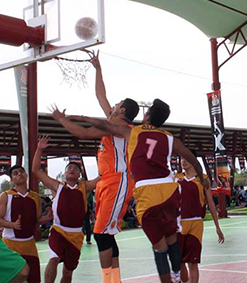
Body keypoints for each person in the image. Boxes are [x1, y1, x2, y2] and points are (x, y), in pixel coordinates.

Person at [75, 98, 207, 283]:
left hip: (146, 191)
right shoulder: (170, 138)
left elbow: (101, 124)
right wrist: (203, 179)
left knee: (158, 247)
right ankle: (177, 275)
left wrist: (79, 117)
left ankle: (166, 278)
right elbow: (192, 159)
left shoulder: (133, 131)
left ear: (146, 116)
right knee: (171, 238)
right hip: (168, 188)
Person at [50, 54, 140, 283]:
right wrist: (98, 68)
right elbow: (101, 96)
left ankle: (108, 279)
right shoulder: (114, 121)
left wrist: (62, 119)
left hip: (117, 180)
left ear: (122, 111)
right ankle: (114, 280)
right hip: (108, 181)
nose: (114, 104)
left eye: (118, 104)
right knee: (107, 233)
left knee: (100, 233)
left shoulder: (118, 125)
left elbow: (83, 132)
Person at [32, 136, 101, 283]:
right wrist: (39, 149)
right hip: (58, 230)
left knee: (68, 273)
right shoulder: (57, 186)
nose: (71, 169)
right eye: (69, 168)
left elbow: (102, 177)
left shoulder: (85, 187)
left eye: (75, 168)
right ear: (65, 173)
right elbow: (36, 170)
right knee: (54, 258)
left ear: (79, 175)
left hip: (76, 235)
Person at [0, 165, 53, 283]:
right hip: (10, 243)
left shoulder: (35, 196)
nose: (19, 174)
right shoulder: (6, 196)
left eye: (21, 172)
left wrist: (48, 218)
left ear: (26, 175)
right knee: (13, 278)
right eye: (15, 173)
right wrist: (12, 225)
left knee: (34, 278)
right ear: (12, 180)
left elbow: (36, 220)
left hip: (29, 244)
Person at [177, 150, 225, 283]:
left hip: (195, 224)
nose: (183, 161)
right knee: (178, 262)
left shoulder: (203, 179)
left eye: (186, 158)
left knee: (193, 263)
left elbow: (210, 203)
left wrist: (217, 227)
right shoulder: (176, 178)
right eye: (181, 158)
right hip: (178, 224)